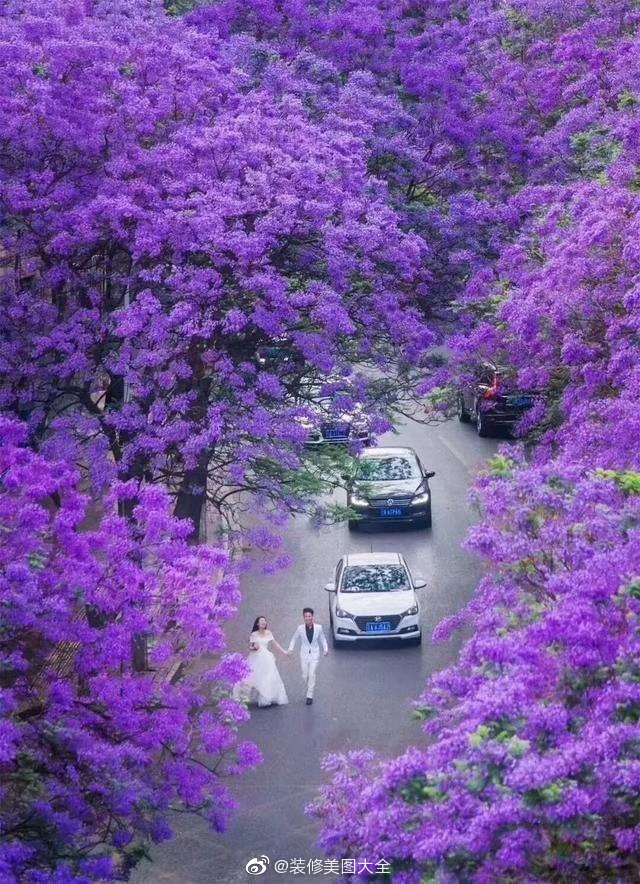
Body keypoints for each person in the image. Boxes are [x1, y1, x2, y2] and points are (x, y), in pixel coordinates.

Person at [234, 616, 289, 708]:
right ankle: (240, 697)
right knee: (249, 677)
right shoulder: (254, 634)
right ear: (257, 624)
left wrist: (284, 652)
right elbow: (250, 648)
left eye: (264, 621)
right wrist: (255, 648)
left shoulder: (269, 633)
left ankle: (266, 697)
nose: (263, 622)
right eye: (261, 621)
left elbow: (275, 644)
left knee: (268, 677)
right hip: (255, 658)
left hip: (266, 658)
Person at [287, 607, 328, 705]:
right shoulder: (300, 628)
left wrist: (325, 649)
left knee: (312, 673)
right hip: (304, 654)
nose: (308, 618)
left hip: (315, 654)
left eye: (309, 616)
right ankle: (308, 682)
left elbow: (322, 639)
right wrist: (290, 649)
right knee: (305, 675)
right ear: (303, 618)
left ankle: (309, 695)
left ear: (312, 617)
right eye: (306, 616)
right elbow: (294, 639)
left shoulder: (319, 628)